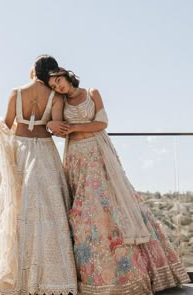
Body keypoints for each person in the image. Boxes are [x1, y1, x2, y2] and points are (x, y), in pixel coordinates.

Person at [40, 67, 190, 294]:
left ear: (67, 75)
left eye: (58, 80)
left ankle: (132, 271)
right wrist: (53, 124)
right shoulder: (60, 101)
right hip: (76, 158)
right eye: (53, 86)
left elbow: (102, 122)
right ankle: (98, 275)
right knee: (84, 212)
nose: (58, 86)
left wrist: (75, 127)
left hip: (99, 154)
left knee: (112, 206)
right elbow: (59, 128)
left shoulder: (92, 92)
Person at [0, 55, 77, 295]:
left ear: (34, 70)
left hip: (19, 152)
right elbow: (55, 126)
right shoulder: (56, 96)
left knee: (11, 208)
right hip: (43, 152)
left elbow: (7, 127)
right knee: (48, 209)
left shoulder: (16, 92)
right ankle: (48, 276)